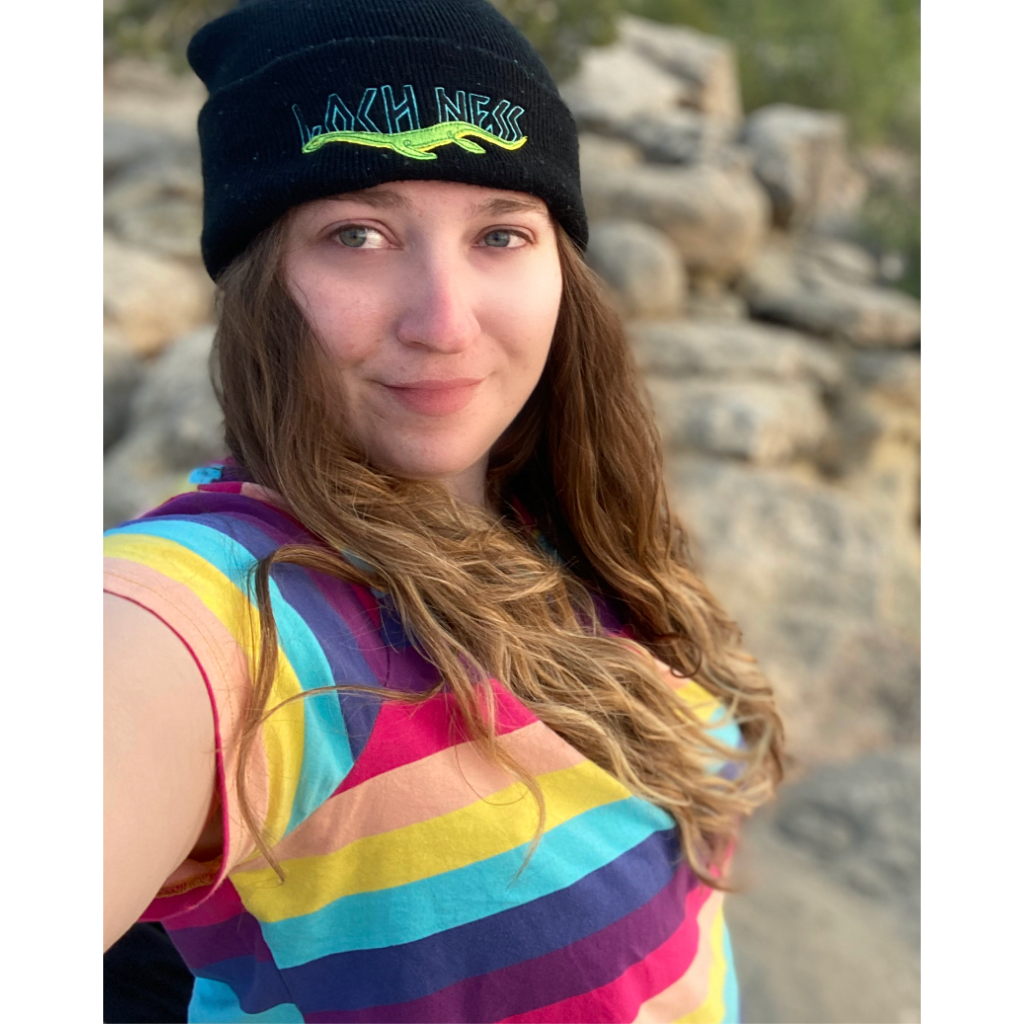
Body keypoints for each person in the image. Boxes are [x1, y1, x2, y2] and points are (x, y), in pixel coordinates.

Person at [102, 1, 785, 1021]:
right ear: (258, 282)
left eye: (500, 234)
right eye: (358, 234)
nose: (444, 321)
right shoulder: (243, 618)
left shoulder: (566, 534)